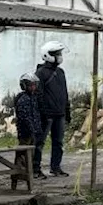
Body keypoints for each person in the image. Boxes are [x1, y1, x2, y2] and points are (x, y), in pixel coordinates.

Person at [35, 41, 72, 178]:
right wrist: (42, 112)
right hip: (47, 114)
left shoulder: (61, 72)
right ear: (48, 55)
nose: (60, 56)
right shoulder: (41, 73)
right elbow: (38, 95)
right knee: (39, 142)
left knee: (58, 142)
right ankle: (35, 169)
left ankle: (55, 167)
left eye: (60, 53)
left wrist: (67, 112)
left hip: (59, 114)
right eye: (57, 54)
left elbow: (65, 93)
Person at [14, 73, 42, 188]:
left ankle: (26, 172)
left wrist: (37, 128)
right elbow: (24, 117)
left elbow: (35, 114)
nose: (33, 87)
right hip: (25, 132)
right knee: (22, 153)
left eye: (34, 85)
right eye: (31, 85)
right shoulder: (23, 99)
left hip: (34, 131)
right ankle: (18, 172)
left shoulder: (33, 98)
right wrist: (31, 129)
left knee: (31, 153)